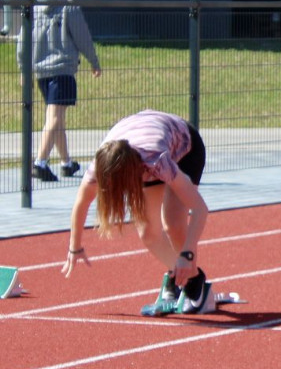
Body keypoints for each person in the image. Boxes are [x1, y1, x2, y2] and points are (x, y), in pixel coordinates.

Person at [62, 110, 211, 313]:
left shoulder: (156, 161)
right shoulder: (98, 167)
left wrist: (188, 252)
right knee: (148, 233)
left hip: (186, 148)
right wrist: (75, 246)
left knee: (173, 222)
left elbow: (200, 208)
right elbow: (81, 202)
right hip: (144, 141)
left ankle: (195, 285)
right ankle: (183, 278)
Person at [17, 0, 102, 182]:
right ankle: (40, 162)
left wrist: (23, 68)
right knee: (54, 118)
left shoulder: (33, 7)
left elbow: (22, 41)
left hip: (41, 71)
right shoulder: (68, 6)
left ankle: (66, 163)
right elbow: (82, 36)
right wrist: (94, 61)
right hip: (62, 69)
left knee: (58, 118)